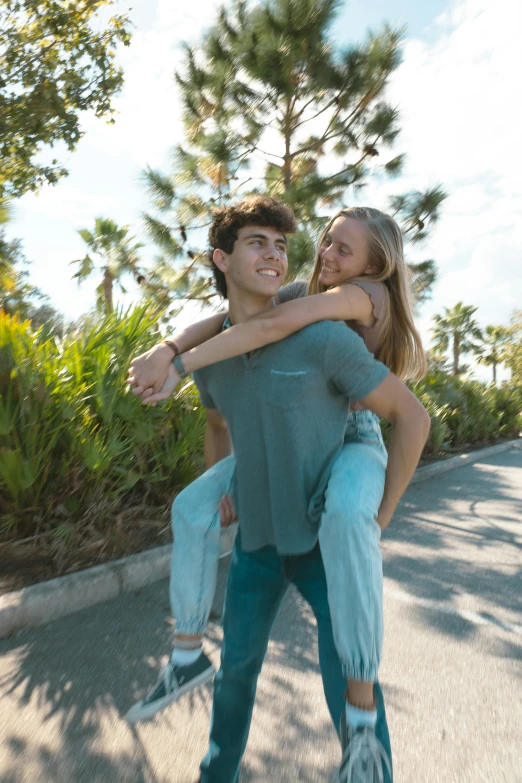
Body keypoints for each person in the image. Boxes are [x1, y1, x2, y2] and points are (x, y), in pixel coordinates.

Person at [127, 197, 430, 782]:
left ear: (373, 264)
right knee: (236, 663)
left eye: (343, 248)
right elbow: (222, 350)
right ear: (223, 258)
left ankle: (370, 763)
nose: (324, 254)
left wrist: (380, 518)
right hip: (259, 541)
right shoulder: (292, 309)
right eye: (327, 243)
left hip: (342, 468)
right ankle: (207, 736)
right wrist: (169, 350)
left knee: (345, 664)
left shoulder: (341, 314)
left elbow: (268, 326)